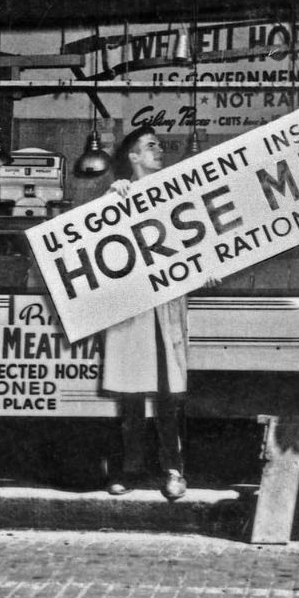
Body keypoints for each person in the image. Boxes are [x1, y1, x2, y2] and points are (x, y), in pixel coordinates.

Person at [101, 125, 191, 501]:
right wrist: (111, 200)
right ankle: (127, 469)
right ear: (133, 157)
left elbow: (193, 241)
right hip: (133, 308)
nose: (159, 151)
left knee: (168, 396)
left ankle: (174, 472)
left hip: (165, 306)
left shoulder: (177, 196)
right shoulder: (116, 197)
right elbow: (96, 243)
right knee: (131, 396)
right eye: (150, 147)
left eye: (159, 146)